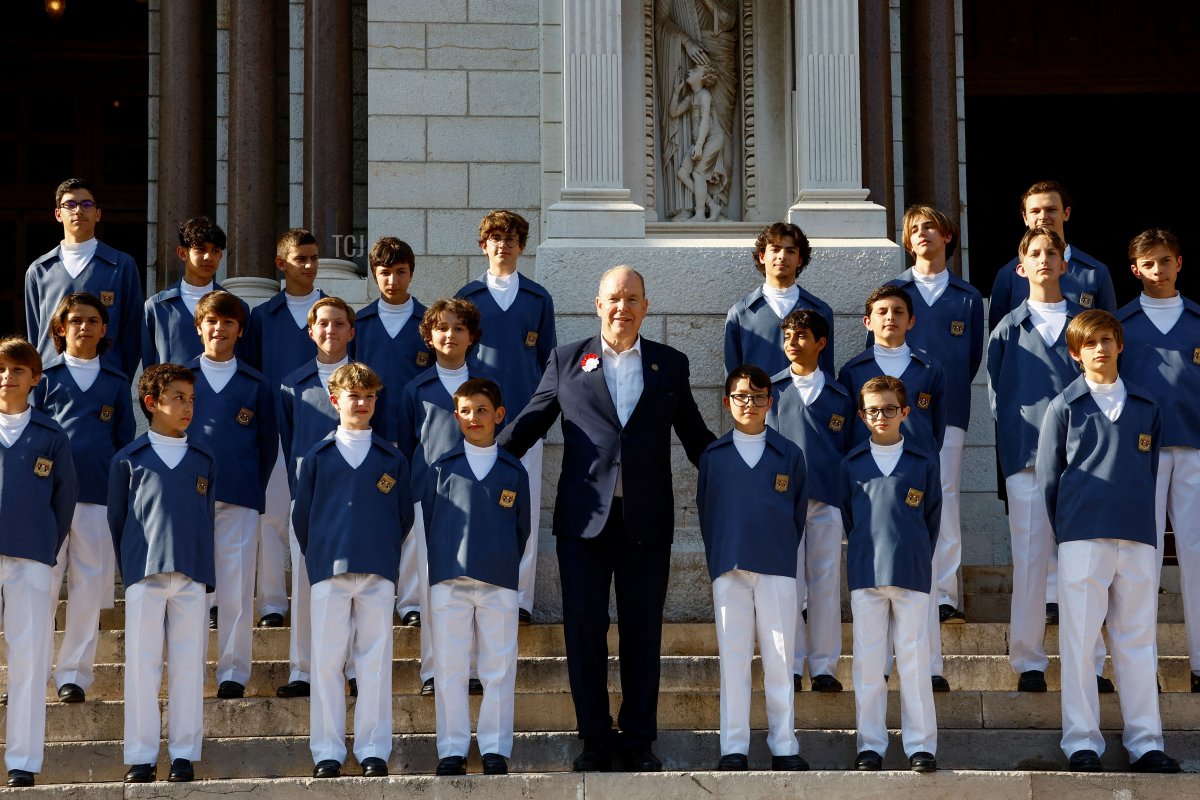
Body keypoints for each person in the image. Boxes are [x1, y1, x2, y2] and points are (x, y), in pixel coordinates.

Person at [498, 266, 715, 772]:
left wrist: (748, 459)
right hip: (583, 525)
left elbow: (697, 438)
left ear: (646, 306)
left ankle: (639, 740)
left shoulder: (670, 364)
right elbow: (527, 426)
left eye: (632, 299)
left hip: (646, 523)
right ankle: (594, 739)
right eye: (614, 299)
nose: (622, 308)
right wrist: (478, 460)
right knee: (584, 635)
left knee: (643, 635)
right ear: (598, 304)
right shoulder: (566, 360)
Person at [1036, 310, 1180, 774]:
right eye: (1090, 342)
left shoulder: (1146, 406)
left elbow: (1149, 473)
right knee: (1079, 642)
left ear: (1120, 345)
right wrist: (1070, 531)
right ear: (1076, 354)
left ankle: (1146, 742)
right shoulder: (1064, 407)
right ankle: (1081, 741)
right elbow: (1048, 480)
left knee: (1137, 640)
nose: (1100, 348)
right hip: (1082, 536)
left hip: (1136, 535)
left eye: (1107, 339)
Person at [988, 226, 1106, 693]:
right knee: (1031, 561)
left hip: (1085, 459)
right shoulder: (1005, 329)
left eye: (1050, 253)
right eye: (1034, 254)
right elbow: (998, 398)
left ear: (1064, 265)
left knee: (1086, 567)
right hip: (1027, 458)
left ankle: (1091, 664)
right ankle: (1029, 662)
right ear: (1022, 267)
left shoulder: (1089, 325)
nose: (1043, 260)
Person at [293, 362, 413, 780]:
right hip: (329, 569)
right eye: (353, 396)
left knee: (375, 660)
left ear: (376, 401)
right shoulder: (318, 456)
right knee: (326, 662)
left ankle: (373, 749)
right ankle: (327, 749)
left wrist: (381, 551)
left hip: (378, 568)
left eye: (368, 396)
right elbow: (302, 517)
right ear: (335, 400)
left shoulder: (391, 457)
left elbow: (403, 518)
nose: (361, 403)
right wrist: (321, 559)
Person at [698, 365, 809, 772]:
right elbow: (707, 512)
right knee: (734, 659)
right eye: (742, 396)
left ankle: (784, 745)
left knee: (780, 657)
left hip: (777, 565)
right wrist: (720, 560)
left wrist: (779, 550)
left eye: (758, 396)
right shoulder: (714, 455)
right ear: (728, 403)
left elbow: (798, 513)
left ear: (770, 401)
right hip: (729, 567)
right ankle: (734, 747)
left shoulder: (788, 454)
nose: (750, 403)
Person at [109, 364, 215, 784]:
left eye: (191, 398)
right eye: (177, 398)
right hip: (144, 573)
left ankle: (185, 754)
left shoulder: (203, 459)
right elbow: (118, 520)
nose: (187, 406)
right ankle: (141, 755)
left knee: (189, 667)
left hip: (192, 574)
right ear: (152, 403)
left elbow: (205, 519)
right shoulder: (128, 460)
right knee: (142, 666)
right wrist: (133, 566)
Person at [424, 378, 530, 777]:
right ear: (456, 416)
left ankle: (494, 748)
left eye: (482, 410)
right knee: (449, 665)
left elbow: (522, 529)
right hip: (450, 579)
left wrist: (503, 563)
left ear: (499, 415)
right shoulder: (441, 468)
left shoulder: (513, 470)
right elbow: (431, 521)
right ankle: (451, 747)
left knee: (498, 668)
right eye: (466, 411)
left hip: (498, 580)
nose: (474, 418)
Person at [33, 293, 135, 705]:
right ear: (60, 328)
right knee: (41, 588)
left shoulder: (115, 382)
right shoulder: (46, 377)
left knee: (89, 588)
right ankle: (31, 673)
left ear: (104, 329)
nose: (85, 326)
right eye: (76, 320)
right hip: (48, 498)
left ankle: (73, 674)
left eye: (94, 320)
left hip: (97, 495)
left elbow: (124, 441)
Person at [456, 210, 556, 625]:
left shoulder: (537, 298)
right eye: (495, 238)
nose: (503, 245)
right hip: (476, 425)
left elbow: (548, 364)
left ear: (521, 246)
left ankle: (519, 599)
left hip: (525, 425)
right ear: (484, 245)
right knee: (476, 508)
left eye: (511, 238)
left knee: (524, 511)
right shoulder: (467, 298)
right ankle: (475, 589)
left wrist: (539, 417)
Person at [885, 205, 984, 624]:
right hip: (896, 418)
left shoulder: (968, 297)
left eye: (930, 226)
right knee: (898, 501)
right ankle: (903, 588)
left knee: (944, 501)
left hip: (949, 415)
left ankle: (944, 597)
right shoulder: (893, 292)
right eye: (914, 229)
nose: (922, 233)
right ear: (907, 242)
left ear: (947, 236)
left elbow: (971, 359)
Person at [277, 296, 378, 699]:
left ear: (352, 332)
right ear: (310, 331)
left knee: (354, 583)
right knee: (305, 582)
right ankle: (303, 669)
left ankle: (353, 667)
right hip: (310, 497)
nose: (331, 331)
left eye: (339, 324)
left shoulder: (367, 382)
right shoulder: (292, 383)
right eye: (323, 324)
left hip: (355, 499)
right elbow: (289, 440)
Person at [840, 375, 940, 774]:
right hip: (866, 572)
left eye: (889, 408)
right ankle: (871, 745)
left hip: (911, 572)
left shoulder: (922, 461)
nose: (881, 416)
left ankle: (920, 745)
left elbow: (931, 516)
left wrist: (915, 553)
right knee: (867, 662)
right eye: (872, 410)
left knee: (915, 660)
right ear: (862, 415)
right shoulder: (851, 464)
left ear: (905, 412)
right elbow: (850, 518)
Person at [396, 298, 495, 698]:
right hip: (431, 499)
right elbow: (406, 446)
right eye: (442, 328)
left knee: (475, 584)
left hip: (479, 498)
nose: (449, 335)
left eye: (458, 328)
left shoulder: (487, 386)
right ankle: (435, 669)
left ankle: (472, 667)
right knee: (435, 586)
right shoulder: (415, 389)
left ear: (471, 336)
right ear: (429, 336)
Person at [1116, 229, 1200, 691]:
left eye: (1165, 261)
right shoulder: (1120, 326)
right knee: (1139, 563)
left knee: (1197, 558)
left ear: (1179, 263)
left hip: (1194, 450)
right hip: (1140, 455)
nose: (1159, 270)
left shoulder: (1198, 321)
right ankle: (1140, 667)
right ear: (1136, 270)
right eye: (1149, 263)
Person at [186, 291, 277, 699]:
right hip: (187, 497)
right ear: (199, 327)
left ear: (240, 330)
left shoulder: (257, 385)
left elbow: (266, 446)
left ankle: (234, 672)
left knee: (237, 586)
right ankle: (189, 667)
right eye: (212, 322)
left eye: (228, 323)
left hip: (239, 493)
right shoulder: (180, 380)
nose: (219, 329)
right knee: (189, 587)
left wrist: (251, 486)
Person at [0, 336, 77, 788]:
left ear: (35, 379)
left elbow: (64, 498)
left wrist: (47, 543)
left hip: (31, 556)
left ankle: (24, 761)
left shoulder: (51, 435)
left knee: (28, 658)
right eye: (1, 369)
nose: (7, 377)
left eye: (17, 370)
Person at [243, 228, 326, 631]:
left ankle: (317, 597)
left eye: (314, 258)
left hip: (321, 431)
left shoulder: (331, 311)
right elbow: (254, 376)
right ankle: (272, 603)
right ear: (281, 264)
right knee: (272, 520)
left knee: (316, 517)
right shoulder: (262, 317)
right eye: (301, 259)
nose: (309, 266)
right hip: (275, 430)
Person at [766, 309, 852, 693]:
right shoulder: (771, 391)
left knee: (825, 583)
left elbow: (850, 451)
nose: (792, 343)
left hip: (828, 499)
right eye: (787, 336)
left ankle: (824, 667)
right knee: (789, 586)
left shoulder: (840, 395)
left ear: (820, 342)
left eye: (801, 336)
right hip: (784, 502)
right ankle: (791, 665)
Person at [352, 237, 430, 629]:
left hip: (418, 439)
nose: (393, 280)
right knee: (376, 518)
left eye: (401, 272)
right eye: (385, 272)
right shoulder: (359, 325)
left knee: (414, 521)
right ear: (374, 275)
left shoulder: (429, 325)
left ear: (411, 274)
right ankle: (379, 594)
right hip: (373, 436)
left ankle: (412, 601)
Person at [24, 178, 144, 382]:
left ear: (98, 214)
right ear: (58, 214)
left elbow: (133, 332)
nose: (78, 210)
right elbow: (36, 334)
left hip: (106, 378)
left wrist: (120, 377)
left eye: (86, 204)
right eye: (70, 204)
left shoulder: (122, 265)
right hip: (52, 381)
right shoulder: (39, 270)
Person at [988, 180, 1117, 330]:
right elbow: (999, 337)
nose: (1043, 217)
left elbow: (1111, 333)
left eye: (1051, 209)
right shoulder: (1008, 275)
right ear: (1024, 217)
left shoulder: (1096, 272)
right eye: (1035, 211)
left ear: (1066, 213)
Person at [724, 222, 835, 379]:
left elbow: (826, 371)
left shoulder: (820, 311)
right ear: (762, 256)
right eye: (775, 249)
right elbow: (732, 377)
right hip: (757, 402)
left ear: (800, 259)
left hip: (804, 402)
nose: (782, 256)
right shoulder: (740, 313)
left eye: (790, 251)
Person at [143, 216, 249, 367]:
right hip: (170, 389)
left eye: (215, 251)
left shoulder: (237, 307)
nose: (208, 257)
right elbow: (149, 365)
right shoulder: (157, 306)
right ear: (182, 253)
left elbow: (244, 361)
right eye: (200, 249)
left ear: (221, 255)